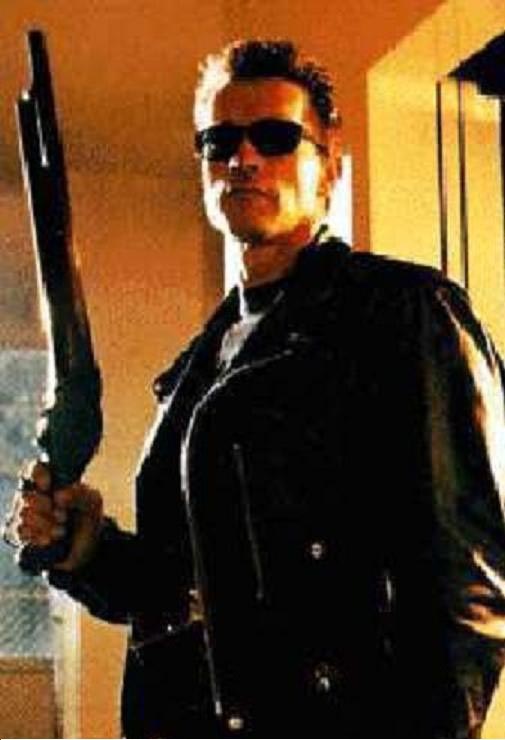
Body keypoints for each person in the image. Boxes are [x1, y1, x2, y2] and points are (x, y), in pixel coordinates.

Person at [6, 39, 505, 739]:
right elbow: (182, 593)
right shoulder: (199, 366)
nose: (243, 158)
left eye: (274, 137)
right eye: (220, 142)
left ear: (328, 168)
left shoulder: (401, 313)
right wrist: (86, 550)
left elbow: (465, 594)